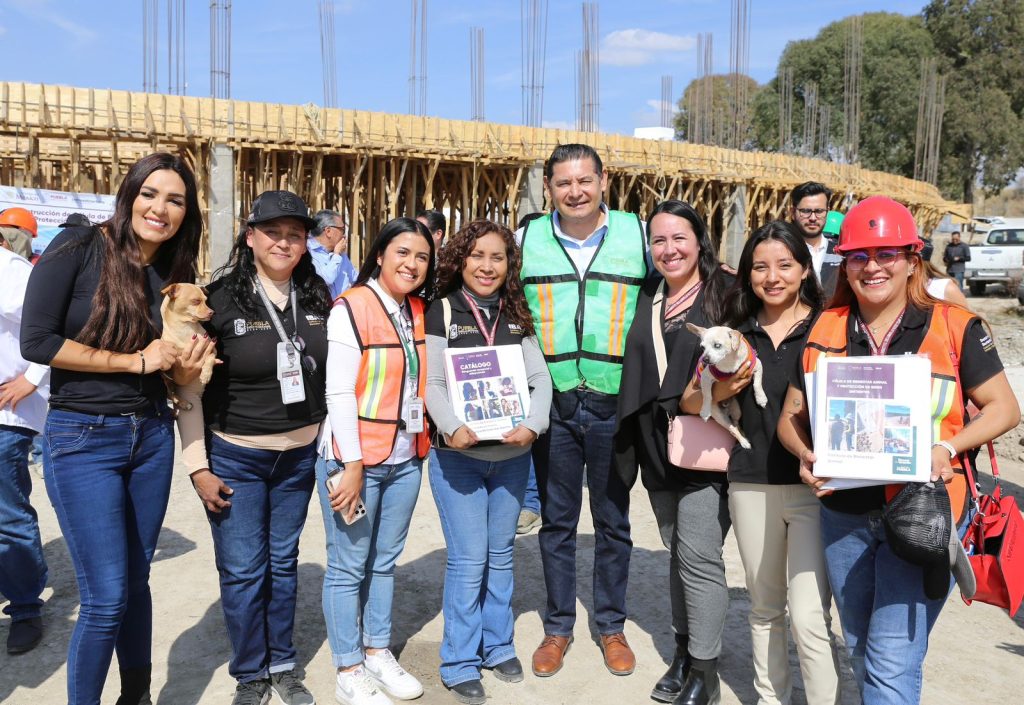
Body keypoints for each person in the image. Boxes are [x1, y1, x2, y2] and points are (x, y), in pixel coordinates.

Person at [777, 196, 1020, 705]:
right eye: (860, 256)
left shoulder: (955, 326)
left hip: (925, 514)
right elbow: (790, 418)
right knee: (864, 647)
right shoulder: (824, 328)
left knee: (891, 658)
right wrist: (804, 454)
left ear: (912, 258)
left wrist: (946, 445)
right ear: (845, 263)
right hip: (844, 515)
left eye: (887, 253)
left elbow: (1003, 409)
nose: (873, 266)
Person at [20, 152, 208, 705]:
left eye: (176, 200)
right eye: (151, 193)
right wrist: (132, 362)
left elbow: (172, 367)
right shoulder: (78, 247)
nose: (161, 208)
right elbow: (39, 342)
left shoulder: (169, 277)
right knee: (104, 597)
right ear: (129, 194)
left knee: (136, 582)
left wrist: (186, 371)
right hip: (83, 438)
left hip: (150, 436)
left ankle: (137, 696)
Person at [176, 190, 328, 705]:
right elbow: (189, 390)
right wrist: (198, 466)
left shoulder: (318, 296)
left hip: (299, 458)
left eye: (295, 234)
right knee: (243, 569)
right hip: (237, 454)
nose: (285, 242)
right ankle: (250, 671)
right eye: (273, 232)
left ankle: (282, 662)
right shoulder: (216, 301)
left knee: (283, 562)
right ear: (250, 237)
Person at [519, 143, 647, 678]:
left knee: (614, 521)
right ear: (548, 186)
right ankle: (557, 628)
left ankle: (611, 626)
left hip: (616, 401)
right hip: (554, 402)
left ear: (604, 182)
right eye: (564, 183)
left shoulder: (636, 234)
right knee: (558, 522)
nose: (575, 192)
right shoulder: (527, 239)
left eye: (585, 181)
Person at [424, 219, 552, 704]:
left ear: (509, 265)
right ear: (461, 259)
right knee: (468, 559)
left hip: (513, 455)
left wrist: (534, 425)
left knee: (501, 557)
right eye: (477, 255)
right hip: (458, 457)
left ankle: (497, 646)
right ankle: (458, 661)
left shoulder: (516, 312)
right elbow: (434, 383)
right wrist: (453, 427)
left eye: (497, 257)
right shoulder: (442, 310)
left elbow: (539, 379)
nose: (487, 266)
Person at [614, 200, 735, 704]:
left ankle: (704, 673)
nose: (669, 249)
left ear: (700, 240)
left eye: (679, 238)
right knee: (679, 553)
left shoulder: (726, 292)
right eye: (659, 241)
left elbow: (745, 363)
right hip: (658, 449)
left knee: (700, 557)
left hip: (709, 449)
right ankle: (685, 652)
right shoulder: (651, 295)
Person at [317, 217, 435, 705]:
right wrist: (354, 463)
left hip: (406, 455)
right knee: (348, 565)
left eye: (423, 257)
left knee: (384, 561)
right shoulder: (352, 307)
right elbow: (339, 391)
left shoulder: (416, 309)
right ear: (381, 254)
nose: (412, 264)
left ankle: (376, 649)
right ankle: (348, 666)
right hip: (354, 460)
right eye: (403, 252)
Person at [722, 221, 840, 705]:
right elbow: (691, 400)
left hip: (816, 486)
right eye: (760, 267)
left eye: (784, 265)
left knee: (811, 616)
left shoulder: (830, 327)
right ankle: (772, 699)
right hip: (751, 485)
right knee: (765, 606)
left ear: (804, 267)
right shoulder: (734, 333)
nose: (772, 277)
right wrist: (713, 390)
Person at [0, 243, 49, 655]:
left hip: (3, 415)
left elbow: (49, 326)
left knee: (8, 517)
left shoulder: (9, 269)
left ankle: (24, 608)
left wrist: (31, 378)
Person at [789, 182, 842, 299]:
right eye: (806, 211)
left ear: (827, 212)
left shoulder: (841, 254)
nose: (813, 218)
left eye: (819, 211)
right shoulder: (783, 251)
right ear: (792, 212)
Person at [309, 209, 358, 300]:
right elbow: (325, 280)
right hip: (322, 311)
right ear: (328, 231)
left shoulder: (340, 253)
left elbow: (356, 278)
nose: (344, 235)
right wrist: (336, 255)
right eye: (342, 230)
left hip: (343, 310)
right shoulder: (308, 252)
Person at [922, 239, 969, 305]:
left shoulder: (964, 246)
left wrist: (959, 258)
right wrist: (947, 259)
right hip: (950, 269)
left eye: (956, 239)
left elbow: (968, 258)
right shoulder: (949, 247)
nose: (954, 240)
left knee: (958, 286)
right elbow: (944, 257)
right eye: (953, 239)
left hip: (959, 269)